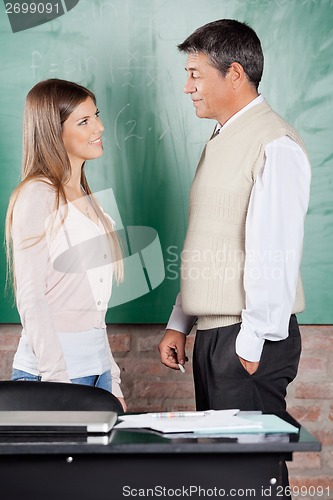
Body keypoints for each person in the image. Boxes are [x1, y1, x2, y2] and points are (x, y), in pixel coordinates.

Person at [159, 20, 311, 414]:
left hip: (245, 339)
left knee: (249, 474)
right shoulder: (221, 138)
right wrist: (181, 320)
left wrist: (251, 342)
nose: (187, 87)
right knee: (219, 473)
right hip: (217, 335)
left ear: (235, 74)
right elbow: (213, 243)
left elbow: (274, 250)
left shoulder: (274, 143)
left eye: (195, 74)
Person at [5, 78, 126, 411]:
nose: (99, 127)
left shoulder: (91, 200)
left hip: (97, 372)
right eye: (84, 121)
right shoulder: (37, 195)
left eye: (96, 116)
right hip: (53, 377)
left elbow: (94, 307)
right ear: (52, 132)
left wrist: (111, 377)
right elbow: (31, 297)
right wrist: (58, 381)